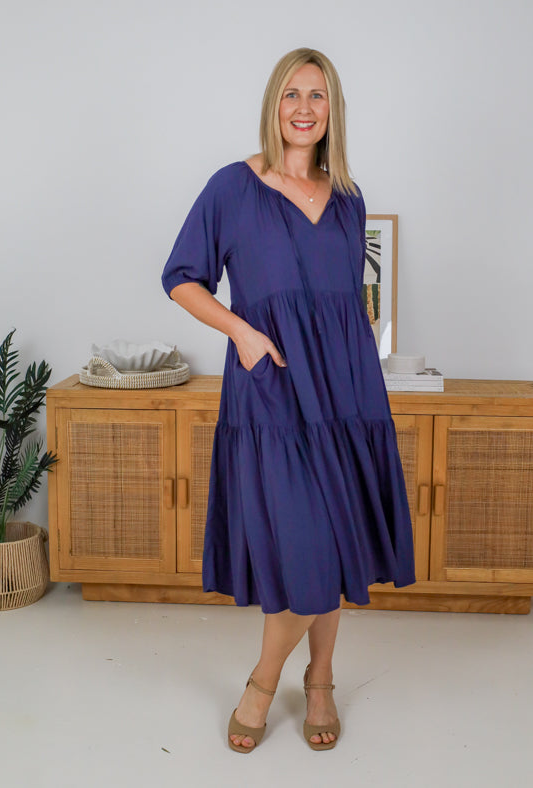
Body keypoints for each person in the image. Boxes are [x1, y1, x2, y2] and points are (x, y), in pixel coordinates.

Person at [161, 47, 416, 753]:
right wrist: (242, 332)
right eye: (292, 94)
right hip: (272, 389)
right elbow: (181, 277)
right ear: (274, 105)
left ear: (334, 109)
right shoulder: (232, 187)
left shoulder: (349, 197)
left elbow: (343, 305)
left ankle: (322, 677)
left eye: (318, 95)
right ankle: (265, 681)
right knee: (307, 543)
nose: (304, 108)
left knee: (336, 538)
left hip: (346, 392)